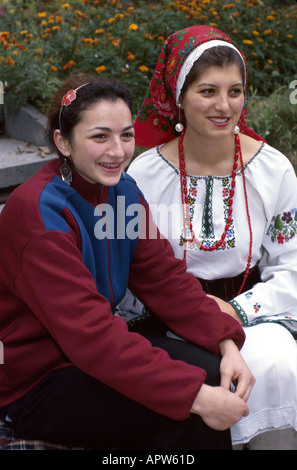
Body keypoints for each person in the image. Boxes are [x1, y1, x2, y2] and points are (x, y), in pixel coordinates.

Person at [0, 73, 254, 451]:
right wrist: (195, 398)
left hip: (89, 355)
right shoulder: (38, 214)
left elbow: (165, 280)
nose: (118, 151)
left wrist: (226, 344)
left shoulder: (121, 193)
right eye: (99, 136)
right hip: (39, 380)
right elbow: (93, 336)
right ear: (62, 142)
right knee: (191, 411)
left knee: (213, 375)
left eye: (126, 135)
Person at [127, 25, 297, 449]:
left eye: (235, 91)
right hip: (164, 318)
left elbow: (291, 265)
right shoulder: (142, 176)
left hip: (251, 315)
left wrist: (236, 310)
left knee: (276, 363)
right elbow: (124, 269)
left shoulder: (272, 171)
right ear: (178, 97)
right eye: (207, 91)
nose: (224, 106)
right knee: (196, 377)